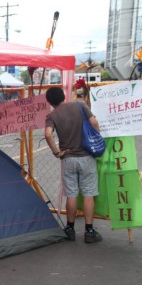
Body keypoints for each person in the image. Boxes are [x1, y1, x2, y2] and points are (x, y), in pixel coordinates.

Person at [44, 86, 102, 243]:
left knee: (71, 194)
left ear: (49, 101)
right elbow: (94, 122)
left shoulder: (52, 115)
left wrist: (57, 152)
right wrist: (96, 138)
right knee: (89, 193)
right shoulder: (80, 105)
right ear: (64, 96)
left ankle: (70, 229)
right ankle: (89, 231)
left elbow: (48, 134)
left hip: (68, 158)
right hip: (87, 156)